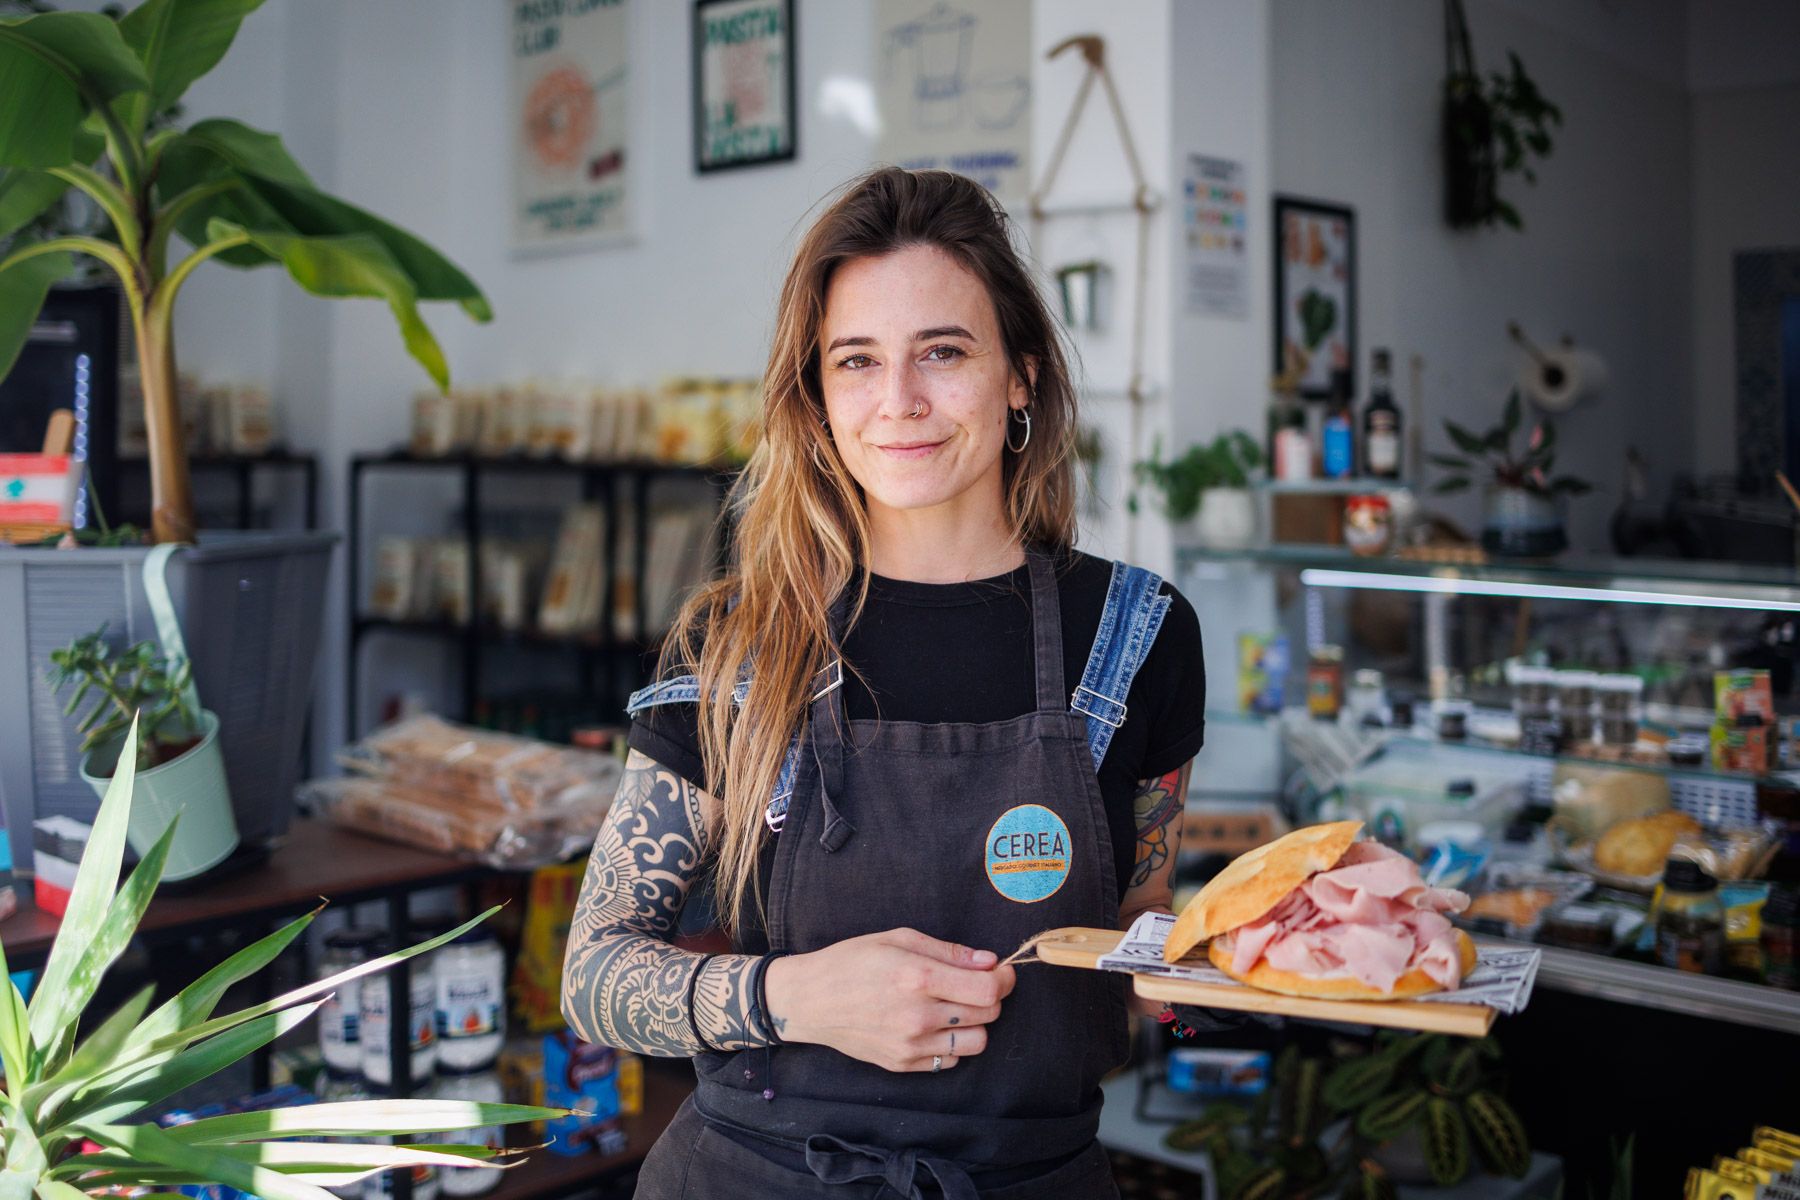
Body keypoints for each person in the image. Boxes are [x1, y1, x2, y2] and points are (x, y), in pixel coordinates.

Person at [560, 166, 1206, 1199]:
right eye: (856, 361)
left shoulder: (1135, 635)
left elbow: (1144, 924)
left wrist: (1252, 970)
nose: (898, 402)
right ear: (815, 397)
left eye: (942, 353)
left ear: (1022, 375)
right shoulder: (738, 645)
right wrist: (798, 999)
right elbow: (593, 975)